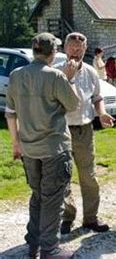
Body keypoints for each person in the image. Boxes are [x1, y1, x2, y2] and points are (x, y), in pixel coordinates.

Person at [6, 33, 79, 259]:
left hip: (28, 148)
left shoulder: (16, 75)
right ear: (53, 52)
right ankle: (50, 249)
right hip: (54, 149)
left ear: (34, 50)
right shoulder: (56, 76)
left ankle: (33, 244)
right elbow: (73, 104)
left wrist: (16, 143)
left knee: (38, 196)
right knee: (53, 199)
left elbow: (10, 113)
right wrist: (69, 78)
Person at [56, 32, 115, 235]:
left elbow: (97, 97)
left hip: (84, 129)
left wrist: (103, 113)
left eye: (80, 48)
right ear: (65, 48)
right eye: (72, 47)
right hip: (61, 130)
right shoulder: (55, 72)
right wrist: (67, 78)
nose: (76, 51)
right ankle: (67, 216)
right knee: (63, 175)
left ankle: (90, 218)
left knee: (88, 176)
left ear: (85, 49)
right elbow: (54, 101)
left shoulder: (90, 71)